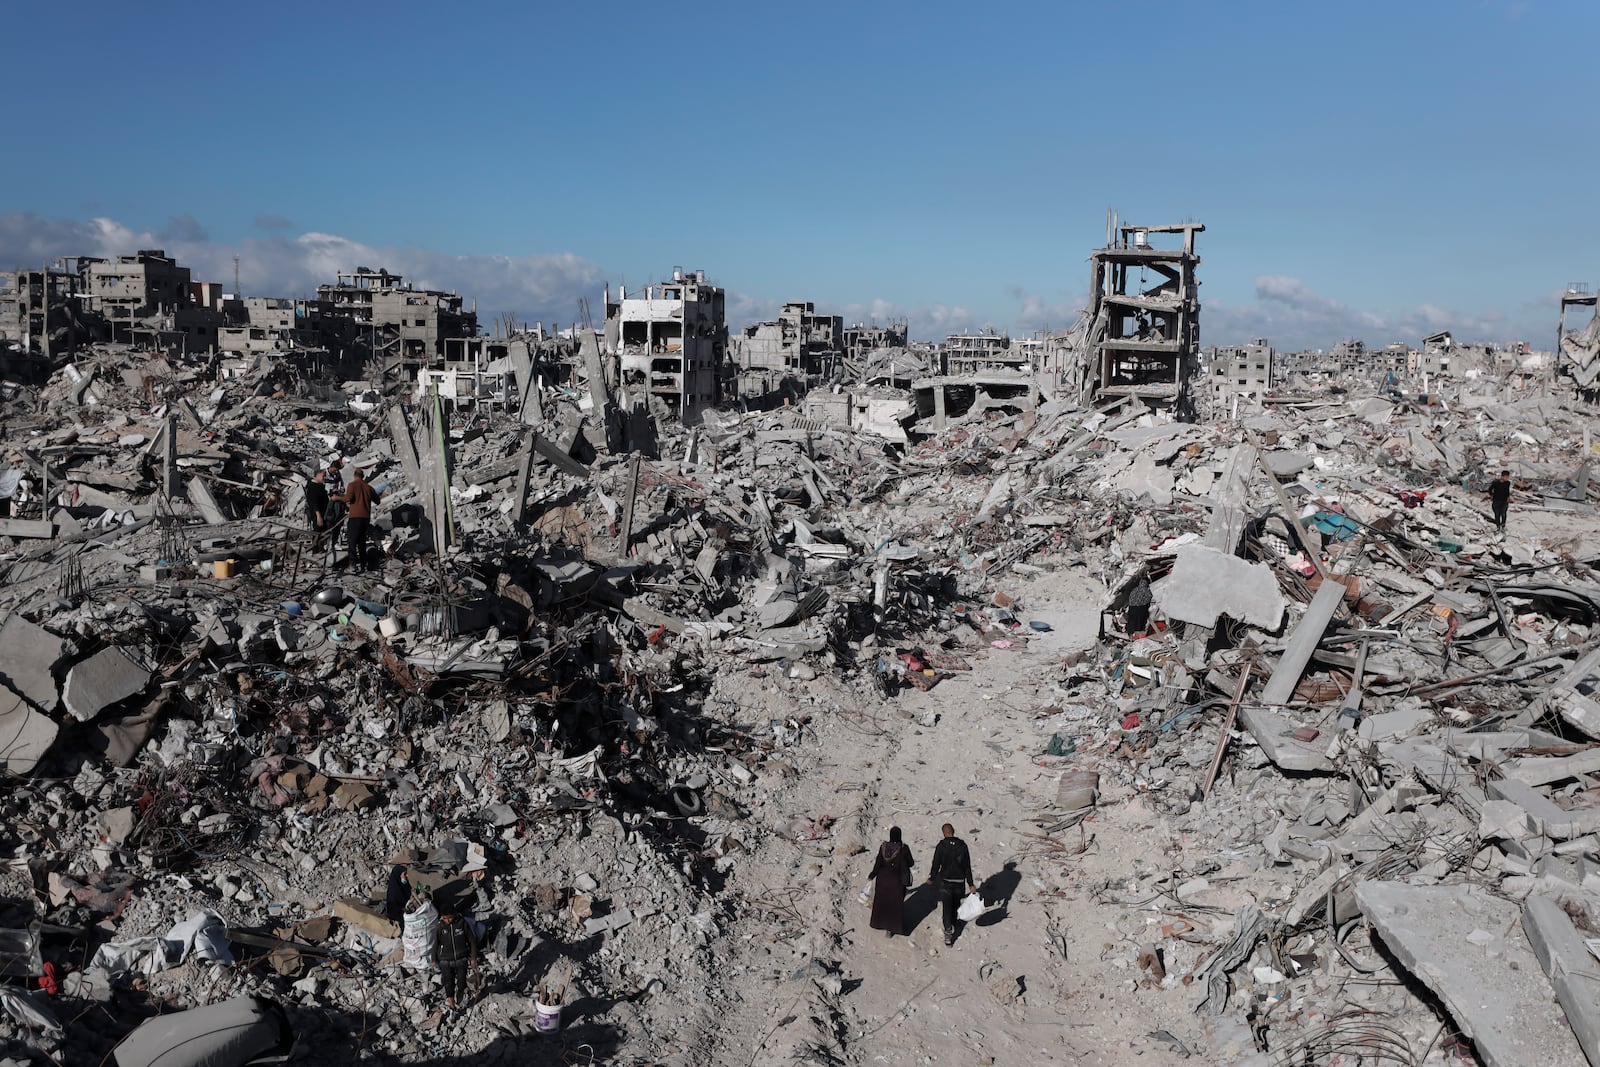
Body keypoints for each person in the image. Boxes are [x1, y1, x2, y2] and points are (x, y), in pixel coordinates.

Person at [925, 823, 975, 946]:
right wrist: (971, 884)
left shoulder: (941, 846)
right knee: (955, 906)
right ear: (954, 831)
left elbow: (936, 864)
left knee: (946, 907)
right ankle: (954, 923)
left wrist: (932, 878)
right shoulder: (963, 846)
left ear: (944, 833)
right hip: (959, 882)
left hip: (945, 882)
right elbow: (967, 866)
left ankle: (948, 932)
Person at [332, 466, 382, 571]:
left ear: (354, 476)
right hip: (365, 518)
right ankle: (364, 563)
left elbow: (348, 498)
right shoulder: (368, 487)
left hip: (355, 517)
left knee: (352, 541)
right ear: (362, 477)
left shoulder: (352, 485)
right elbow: (378, 501)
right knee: (361, 541)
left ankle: (353, 564)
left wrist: (337, 498)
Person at [868, 827, 914, 937]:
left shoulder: (883, 847)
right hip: (896, 881)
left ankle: (879, 923)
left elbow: (878, 862)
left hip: (882, 880)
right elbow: (911, 863)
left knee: (882, 903)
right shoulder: (903, 848)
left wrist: (872, 874)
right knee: (894, 905)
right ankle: (890, 930)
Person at [433, 910, 477, 1010]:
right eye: (445, 918)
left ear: (454, 915)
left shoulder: (462, 924)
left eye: (449, 918)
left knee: (461, 981)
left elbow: (471, 941)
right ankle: (452, 1004)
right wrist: (433, 959)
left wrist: (473, 957)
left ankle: (461, 997)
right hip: (445, 960)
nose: (447, 920)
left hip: (461, 958)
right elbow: (435, 944)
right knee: (448, 982)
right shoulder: (440, 927)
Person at [304, 469, 330, 537]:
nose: (324, 478)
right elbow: (314, 503)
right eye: (323, 476)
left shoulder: (320, 486)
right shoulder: (312, 487)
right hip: (318, 515)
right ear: (317, 475)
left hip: (323, 513)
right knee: (318, 533)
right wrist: (318, 516)